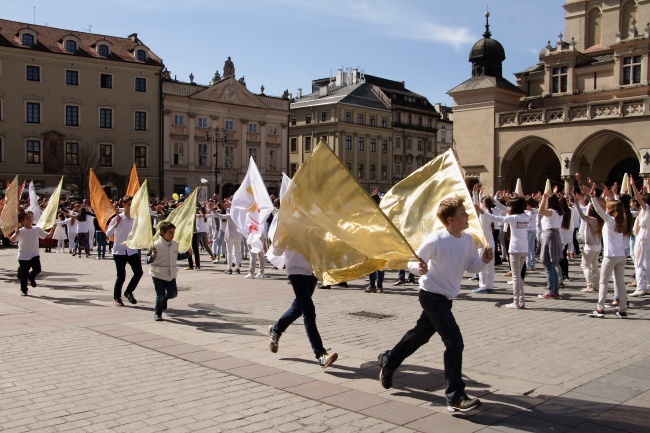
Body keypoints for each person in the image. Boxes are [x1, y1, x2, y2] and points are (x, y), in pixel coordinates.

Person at [377, 197, 493, 412]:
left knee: (420, 335)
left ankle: (388, 359)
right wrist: (417, 269)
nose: (467, 216)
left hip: (446, 298)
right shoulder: (436, 239)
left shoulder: (467, 239)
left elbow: (471, 267)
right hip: (431, 294)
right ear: (451, 219)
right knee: (454, 341)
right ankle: (455, 397)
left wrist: (484, 260)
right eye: (462, 213)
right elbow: (413, 261)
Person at [268, 248, 338, 368]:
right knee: (308, 312)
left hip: (312, 270)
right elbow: (277, 250)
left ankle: (276, 330)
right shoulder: (285, 228)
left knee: (298, 308)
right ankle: (321, 355)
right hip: (296, 270)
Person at [476, 196, 533, 308]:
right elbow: (506, 210)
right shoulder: (527, 216)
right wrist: (496, 202)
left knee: (516, 277)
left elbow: (496, 218)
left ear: (514, 207)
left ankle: (517, 302)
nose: (509, 207)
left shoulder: (512, 218)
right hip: (525, 249)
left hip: (515, 249)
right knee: (519, 276)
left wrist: (481, 211)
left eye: (511, 205)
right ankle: (521, 301)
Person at [585, 182, 631, 318]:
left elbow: (599, 210)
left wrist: (592, 197)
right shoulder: (623, 219)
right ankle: (622, 310)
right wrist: (611, 195)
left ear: (611, 210)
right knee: (620, 283)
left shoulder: (610, 220)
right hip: (621, 255)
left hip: (610, 256)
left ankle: (600, 309)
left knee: (603, 282)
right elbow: (617, 204)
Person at [106, 196, 143, 306]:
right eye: (129, 204)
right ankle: (116, 297)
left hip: (131, 250)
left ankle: (128, 292)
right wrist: (116, 225)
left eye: (133, 205)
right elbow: (108, 234)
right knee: (121, 276)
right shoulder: (117, 218)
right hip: (120, 251)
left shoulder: (135, 219)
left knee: (139, 272)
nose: (131, 207)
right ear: (124, 205)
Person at [9, 211, 54, 296]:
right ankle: (24, 290)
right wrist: (15, 234)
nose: (29, 219)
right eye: (27, 218)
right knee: (24, 274)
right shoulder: (20, 231)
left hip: (34, 254)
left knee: (37, 269)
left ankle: (31, 277)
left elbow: (47, 236)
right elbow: (11, 240)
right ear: (22, 222)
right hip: (23, 256)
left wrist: (52, 230)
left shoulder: (36, 229)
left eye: (30, 217)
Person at [146, 221, 179, 321]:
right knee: (159, 295)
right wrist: (151, 257)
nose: (172, 235)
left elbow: (177, 255)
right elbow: (147, 259)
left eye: (173, 232)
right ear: (162, 233)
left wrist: (187, 254)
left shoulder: (175, 244)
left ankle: (163, 299)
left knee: (173, 293)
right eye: (170, 232)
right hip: (158, 273)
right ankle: (158, 313)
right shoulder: (156, 244)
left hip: (171, 273)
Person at [537, 191, 564, 299]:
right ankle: (555, 290)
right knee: (552, 266)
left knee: (548, 264)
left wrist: (544, 198)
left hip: (549, 236)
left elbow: (540, 211)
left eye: (548, 201)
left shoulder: (552, 212)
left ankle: (551, 290)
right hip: (554, 236)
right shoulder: (558, 212)